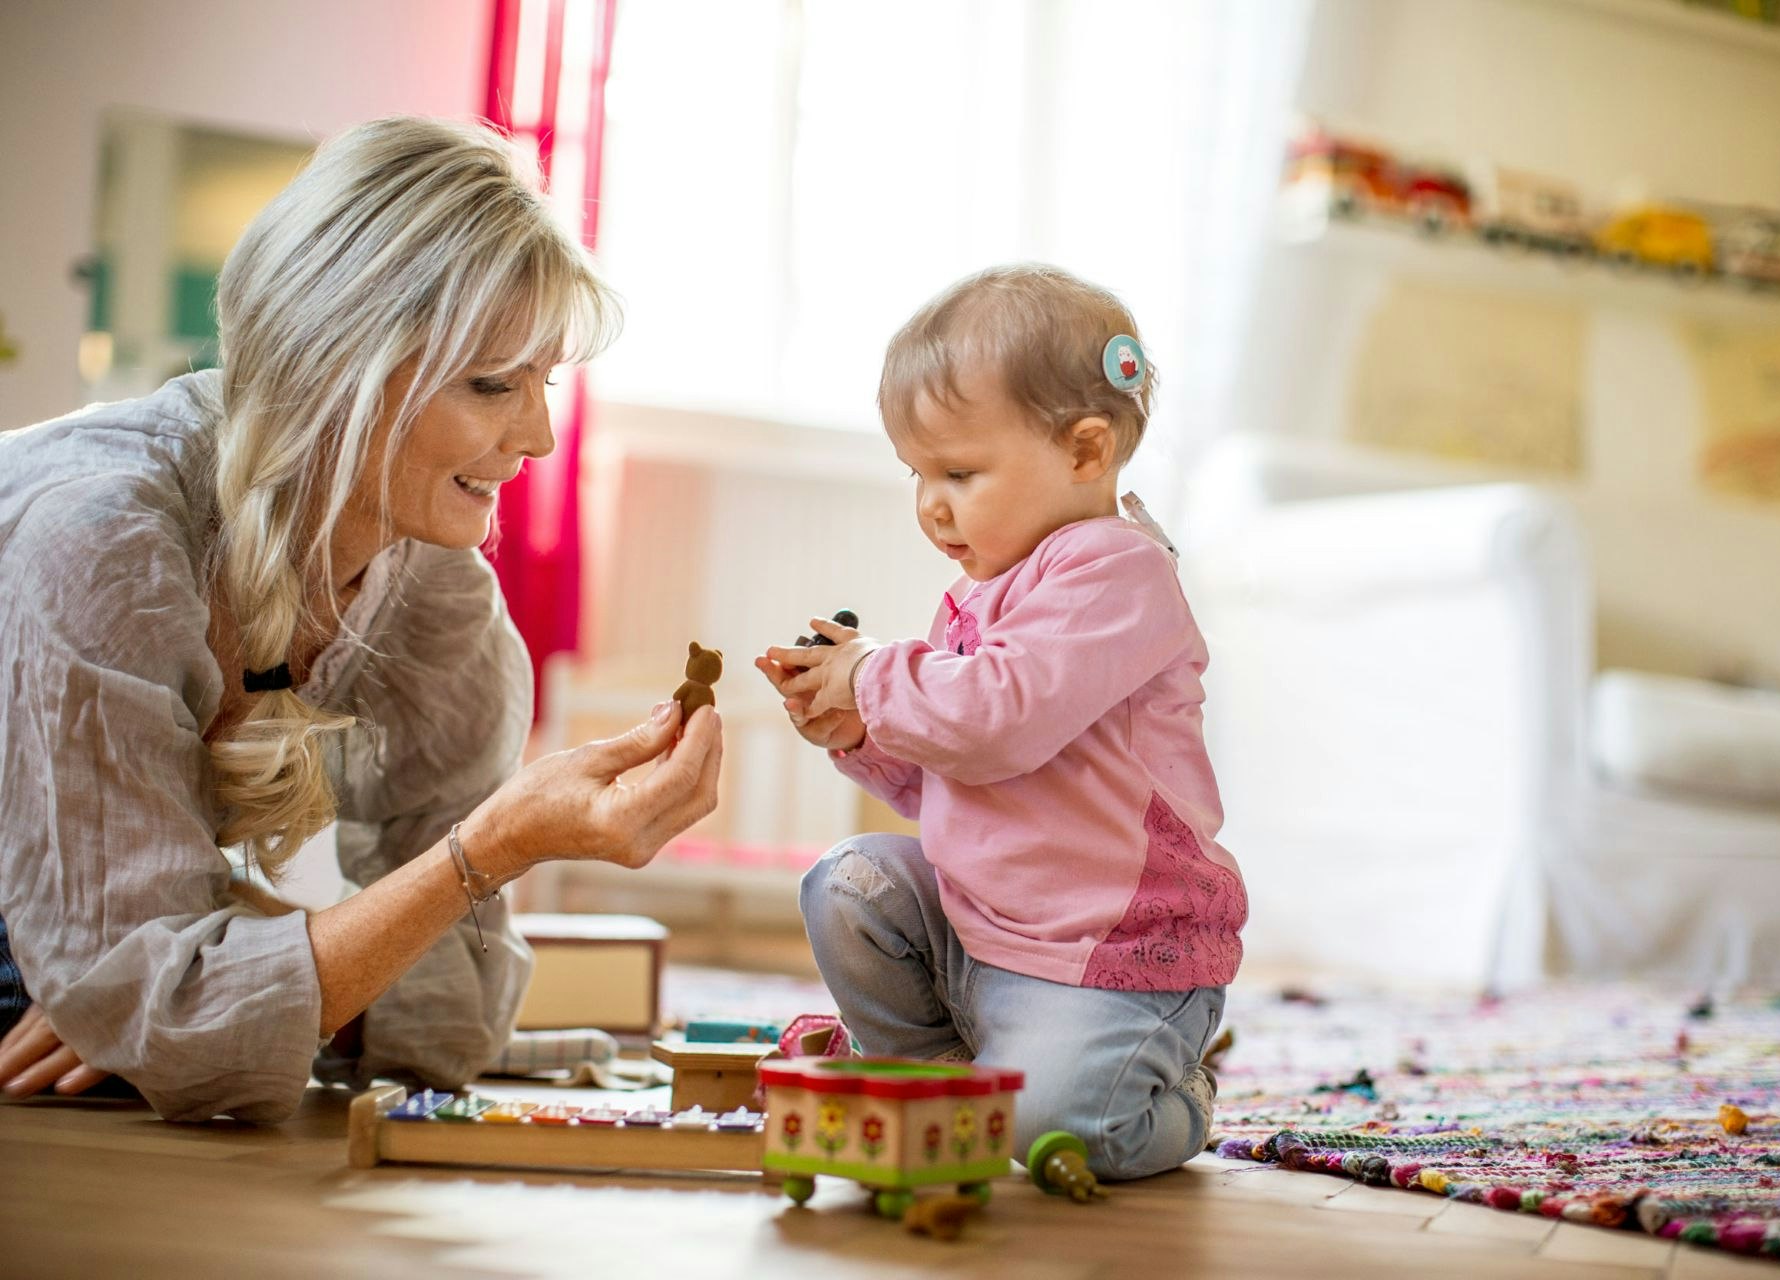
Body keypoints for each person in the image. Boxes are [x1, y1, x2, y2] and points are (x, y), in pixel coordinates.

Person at [0, 116, 723, 1123]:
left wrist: (194, 974)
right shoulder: (103, 541)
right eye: (491, 384)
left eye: (544, 379)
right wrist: (489, 846)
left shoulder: (436, 587)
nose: (542, 434)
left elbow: (445, 1023)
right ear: (334, 365)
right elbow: (171, 1021)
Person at [757, 264, 1247, 1180]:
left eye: (959, 472)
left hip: (1106, 956)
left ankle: (1178, 1097)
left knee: (1067, 1134)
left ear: (1086, 452)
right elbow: (962, 772)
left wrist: (871, 674)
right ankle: (947, 1081)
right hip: (985, 935)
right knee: (850, 883)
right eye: (917, 474)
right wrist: (857, 731)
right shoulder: (989, 593)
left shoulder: (1118, 573)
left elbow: (997, 722)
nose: (931, 504)